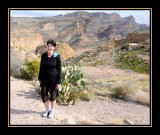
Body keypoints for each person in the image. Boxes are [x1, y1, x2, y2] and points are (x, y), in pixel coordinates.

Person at [38, 39, 61, 118]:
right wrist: (39, 78)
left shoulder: (56, 57)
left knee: (53, 95)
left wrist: (58, 82)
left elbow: (59, 70)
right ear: (47, 46)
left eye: (51, 46)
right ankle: (47, 109)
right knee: (44, 94)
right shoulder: (44, 55)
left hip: (53, 79)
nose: (49, 48)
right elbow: (41, 67)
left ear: (54, 47)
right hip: (44, 78)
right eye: (48, 46)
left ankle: (52, 110)